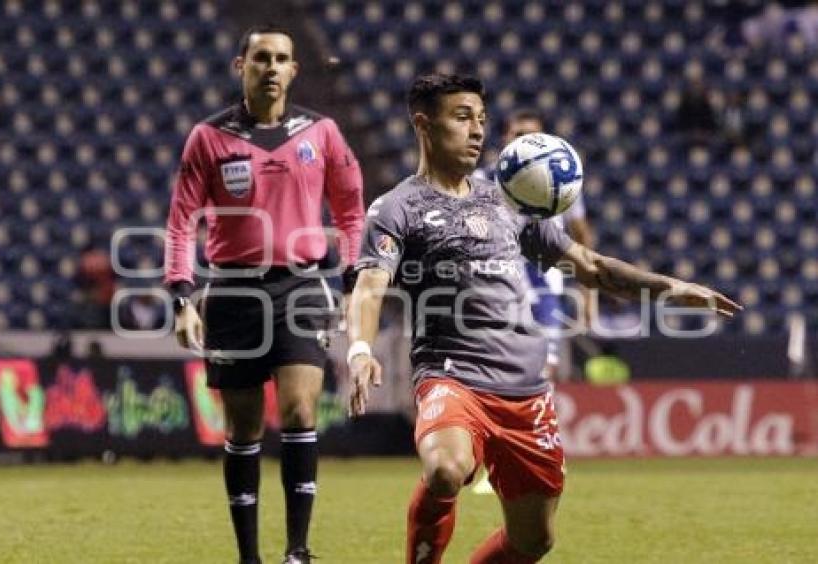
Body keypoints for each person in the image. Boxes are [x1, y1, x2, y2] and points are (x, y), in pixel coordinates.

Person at [347, 73, 740, 563]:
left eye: (482, 120)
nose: (477, 131)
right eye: (463, 117)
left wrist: (670, 287)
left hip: (526, 389)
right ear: (423, 125)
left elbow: (591, 266)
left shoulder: (507, 203)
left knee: (534, 540)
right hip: (453, 376)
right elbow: (368, 286)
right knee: (447, 470)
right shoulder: (397, 207)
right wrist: (360, 350)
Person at [163, 26, 364, 564]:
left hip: (300, 286)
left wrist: (353, 278)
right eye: (261, 58)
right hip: (231, 290)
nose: (271, 67)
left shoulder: (321, 133)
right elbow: (181, 223)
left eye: (281, 59)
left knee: (300, 411)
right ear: (240, 66)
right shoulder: (208, 137)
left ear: (294, 70)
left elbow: (350, 211)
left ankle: (297, 551)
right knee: (244, 426)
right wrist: (182, 297)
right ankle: (248, 556)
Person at [477, 108, 595, 380]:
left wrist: (589, 294)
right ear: (506, 138)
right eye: (519, 135)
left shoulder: (563, 182)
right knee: (499, 372)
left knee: (544, 371)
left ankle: (537, 422)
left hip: (545, 287)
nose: (525, 142)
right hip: (497, 288)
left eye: (533, 136)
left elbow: (582, 236)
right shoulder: (481, 181)